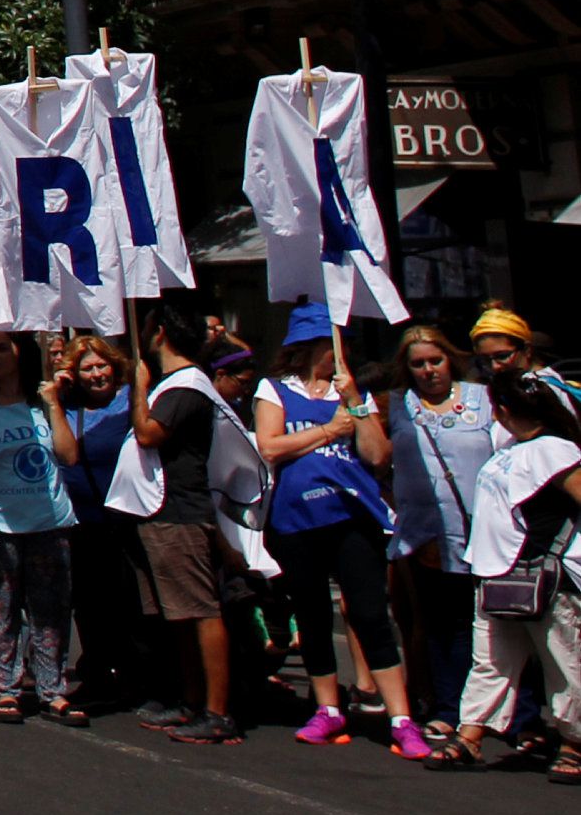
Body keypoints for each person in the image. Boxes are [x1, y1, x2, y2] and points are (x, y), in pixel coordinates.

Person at [252, 300, 430, 755]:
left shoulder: (352, 395)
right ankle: (328, 709)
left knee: (369, 613)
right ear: (310, 349)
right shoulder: (275, 390)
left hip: (351, 517)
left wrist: (354, 404)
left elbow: (377, 456)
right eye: (334, 347)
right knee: (310, 614)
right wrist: (329, 431)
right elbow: (270, 447)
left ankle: (401, 716)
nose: (341, 355)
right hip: (296, 521)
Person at [426, 372, 581, 776]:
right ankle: (471, 736)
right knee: (491, 661)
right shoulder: (510, 446)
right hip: (497, 574)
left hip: (545, 574)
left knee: (564, 662)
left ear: (505, 411)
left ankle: (575, 742)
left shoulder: (555, 450)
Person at [128, 296, 242, 744]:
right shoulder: (178, 383)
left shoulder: (186, 386)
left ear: (159, 333)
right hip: (162, 511)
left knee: (200, 609)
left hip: (182, 511)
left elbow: (148, 433)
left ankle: (217, 711)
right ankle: (192, 699)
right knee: (178, 612)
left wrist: (140, 385)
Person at [0, 331, 79, 726]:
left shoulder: (41, 403)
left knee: (50, 613)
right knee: (0, 613)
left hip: (49, 522)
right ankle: (6, 690)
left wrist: (54, 405)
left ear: (21, 353)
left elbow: (68, 455)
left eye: (2, 348)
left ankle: (52, 689)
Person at [383, 321, 494, 738]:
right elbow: (375, 456)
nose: (429, 370)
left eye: (436, 360)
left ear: (451, 359)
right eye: (418, 364)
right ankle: (448, 707)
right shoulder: (395, 404)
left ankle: (508, 715)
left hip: (483, 535)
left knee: (491, 626)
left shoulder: (484, 399)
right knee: (441, 627)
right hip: (427, 536)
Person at [57, 335, 144, 710]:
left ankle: (136, 675)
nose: (96, 374)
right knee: (89, 604)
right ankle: (96, 673)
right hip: (84, 521)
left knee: (130, 602)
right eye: (87, 369)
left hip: (128, 518)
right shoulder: (69, 408)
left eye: (101, 365)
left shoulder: (132, 400)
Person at [468, 306, 578, 428]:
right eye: (485, 360)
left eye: (502, 356)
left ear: (527, 350)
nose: (495, 367)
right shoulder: (508, 386)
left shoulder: (543, 389)